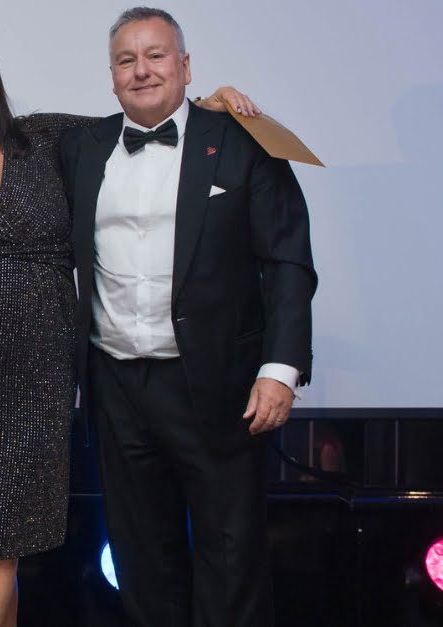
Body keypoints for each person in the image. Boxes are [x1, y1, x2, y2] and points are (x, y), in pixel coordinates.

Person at [0, 31, 254, 627]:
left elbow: (144, 114)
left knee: (3, 548)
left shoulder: (47, 137)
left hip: (42, 378)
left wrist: (213, 101)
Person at [59, 7, 316, 626]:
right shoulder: (78, 146)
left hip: (218, 385)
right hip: (117, 386)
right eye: (127, 59)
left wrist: (279, 370)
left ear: (185, 65)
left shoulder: (242, 139)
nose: (141, 70)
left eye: (156, 55)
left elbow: (286, 260)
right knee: (141, 561)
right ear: (111, 74)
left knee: (232, 559)